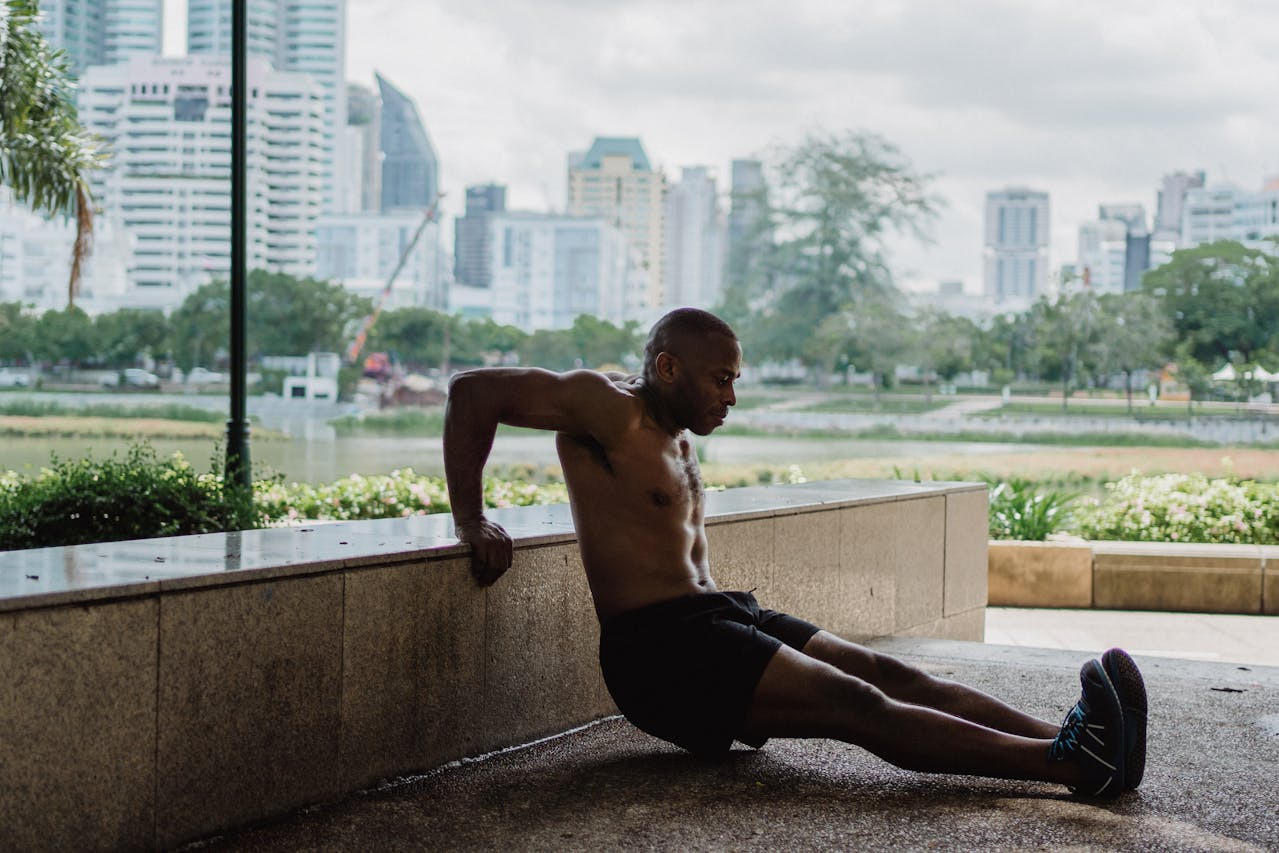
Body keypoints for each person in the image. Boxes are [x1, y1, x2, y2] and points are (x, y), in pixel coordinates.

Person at [443, 307, 1148, 798]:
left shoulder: (677, 432)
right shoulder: (605, 409)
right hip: (656, 651)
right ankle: (1073, 767)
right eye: (720, 378)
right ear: (666, 366)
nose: (732, 395)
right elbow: (472, 392)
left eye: (735, 378)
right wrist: (471, 519)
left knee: (887, 670)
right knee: (857, 702)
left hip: (714, 614)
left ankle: (1073, 737)